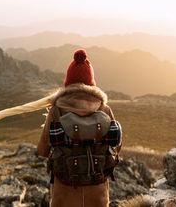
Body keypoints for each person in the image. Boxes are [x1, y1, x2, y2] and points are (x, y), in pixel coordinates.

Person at [37, 49, 122, 207]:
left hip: (65, 187)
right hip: (97, 188)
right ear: (91, 83)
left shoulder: (57, 110)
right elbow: (116, 147)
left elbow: (42, 150)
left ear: (68, 81)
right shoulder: (104, 109)